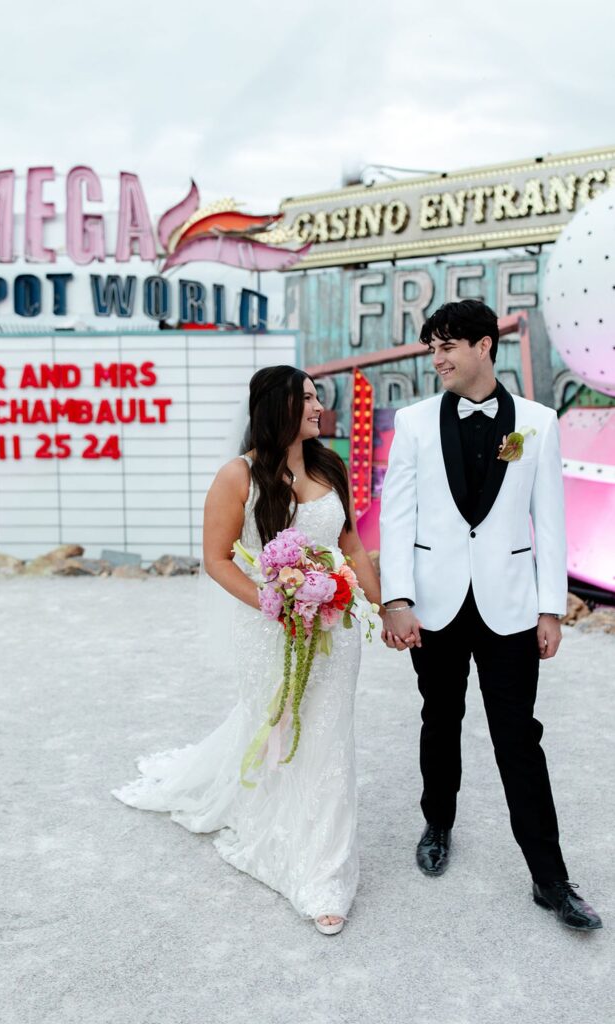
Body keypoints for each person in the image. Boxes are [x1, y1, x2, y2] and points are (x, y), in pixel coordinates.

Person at [112, 365, 382, 935]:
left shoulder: (329, 464)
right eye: (307, 399)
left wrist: (383, 606)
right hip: (268, 630)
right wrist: (275, 602)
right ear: (276, 408)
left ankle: (324, 873)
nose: (317, 407)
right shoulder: (238, 477)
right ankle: (272, 826)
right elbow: (217, 559)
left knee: (330, 737)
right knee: (277, 725)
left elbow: (351, 541)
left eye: (316, 397)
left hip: (335, 625)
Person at [379, 299, 602, 931]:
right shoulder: (415, 422)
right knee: (439, 718)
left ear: (484, 347)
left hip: (510, 605)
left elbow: (551, 522)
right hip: (434, 602)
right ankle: (438, 821)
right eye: (432, 348)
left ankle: (550, 878)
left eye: (448, 346)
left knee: (519, 738)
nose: (438, 359)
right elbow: (397, 516)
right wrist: (397, 598)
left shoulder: (536, 421)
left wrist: (550, 608)